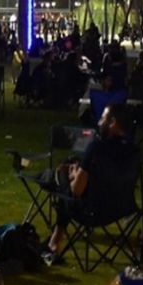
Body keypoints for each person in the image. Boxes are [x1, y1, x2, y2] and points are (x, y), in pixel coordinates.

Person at [47, 102, 136, 255]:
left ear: (112, 122)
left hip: (93, 212)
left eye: (102, 119)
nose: (99, 123)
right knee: (72, 168)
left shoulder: (96, 148)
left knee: (61, 178)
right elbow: (109, 178)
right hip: (122, 208)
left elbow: (76, 191)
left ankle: (56, 239)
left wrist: (73, 175)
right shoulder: (133, 150)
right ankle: (56, 238)